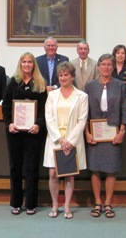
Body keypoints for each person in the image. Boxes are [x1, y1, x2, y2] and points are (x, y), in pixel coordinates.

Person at [84, 53, 126, 219]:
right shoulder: (90, 86)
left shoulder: (120, 86)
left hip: (113, 134)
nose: (106, 67)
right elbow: (85, 112)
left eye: (109, 65)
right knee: (95, 169)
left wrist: (122, 132)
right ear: (98, 67)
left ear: (113, 67)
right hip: (94, 134)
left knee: (111, 169)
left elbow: (125, 110)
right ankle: (97, 202)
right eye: (103, 64)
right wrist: (87, 133)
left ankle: (108, 203)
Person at [2, 52, 47, 215]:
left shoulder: (40, 84)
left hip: (33, 132)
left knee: (31, 168)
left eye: (30, 62)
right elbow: (6, 106)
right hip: (15, 132)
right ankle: (16, 202)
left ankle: (30, 203)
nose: (27, 65)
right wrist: (9, 124)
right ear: (20, 64)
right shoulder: (13, 82)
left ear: (34, 65)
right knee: (15, 167)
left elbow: (44, 110)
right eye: (24, 62)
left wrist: (38, 125)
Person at [44, 62, 88, 219]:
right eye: (61, 75)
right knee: (53, 173)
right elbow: (48, 118)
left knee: (70, 174)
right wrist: (60, 140)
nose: (63, 77)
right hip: (55, 140)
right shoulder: (51, 95)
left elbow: (82, 120)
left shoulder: (82, 96)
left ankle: (67, 206)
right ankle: (55, 204)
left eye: (66, 75)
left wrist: (69, 141)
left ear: (72, 76)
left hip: (72, 141)